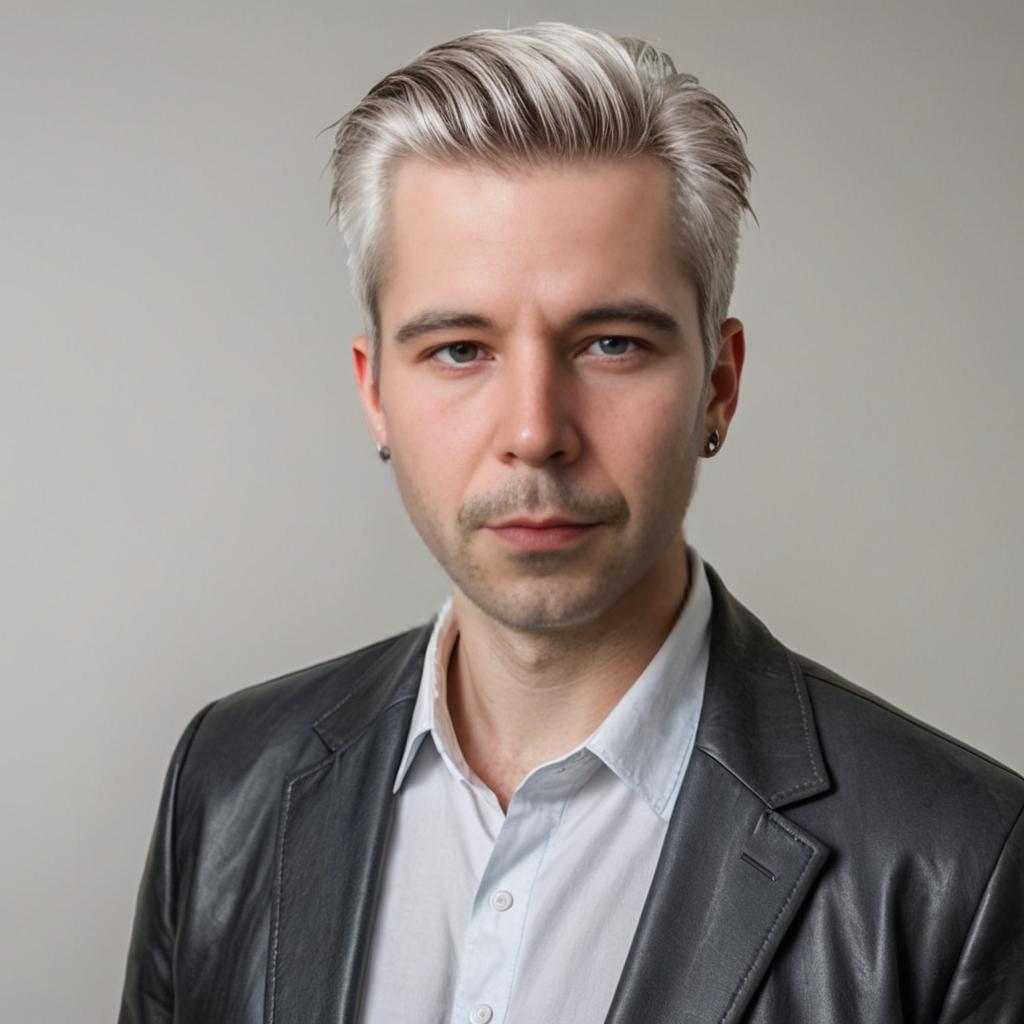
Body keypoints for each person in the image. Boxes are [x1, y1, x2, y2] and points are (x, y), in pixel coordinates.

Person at [118, 22, 1023, 1024]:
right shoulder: (228, 780)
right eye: (460, 348)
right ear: (375, 393)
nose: (535, 431)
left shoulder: (961, 864)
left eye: (610, 342)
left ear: (718, 385)